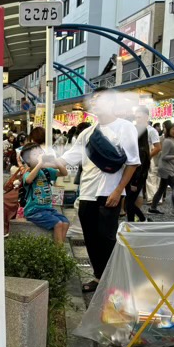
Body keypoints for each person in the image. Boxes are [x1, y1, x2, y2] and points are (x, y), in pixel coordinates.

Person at [60, 89, 140, 293]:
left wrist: (118, 190)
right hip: (86, 193)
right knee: (91, 238)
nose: (94, 104)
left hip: (109, 193)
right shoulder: (87, 133)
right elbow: (70, 157)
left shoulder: (125, 127)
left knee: (107, 239)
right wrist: (43, 159)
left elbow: (132, 163)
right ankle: (98, 277)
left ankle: (113, 281)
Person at [20, 144, 70, 244]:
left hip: (47, 208)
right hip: (33, 210)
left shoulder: (46, 171)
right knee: (58, 223)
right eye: (35, 154)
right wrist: (40, 164)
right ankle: (59, 253)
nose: (39, 155)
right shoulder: (27, 173)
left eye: (40, 152)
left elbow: (64, 173)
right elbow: (29, 180)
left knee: (65, 222)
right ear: (28, 160)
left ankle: (59, 249)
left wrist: (56, 162)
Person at [149, 123, 174, 216]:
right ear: (168, 130)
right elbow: (164, 157)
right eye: (173, 129)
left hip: (170, 166)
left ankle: (152, 208)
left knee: (162, 188)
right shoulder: (167, 141)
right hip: (165, 168)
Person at [126, 106, 152, 222]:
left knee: (128, 203)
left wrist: (134, 182)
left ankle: (142, 219)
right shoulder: (141, 148)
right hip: (134, 179)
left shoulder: (141, 150)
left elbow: (139, 167)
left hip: (135, 180)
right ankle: (132, 223)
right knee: (129, 203)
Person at [145, 121, 163, 204]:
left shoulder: (151, 130)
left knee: (151, 176)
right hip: (151, 154)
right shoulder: (150, 130)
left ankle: (153, 198)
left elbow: (157, 147)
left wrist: (148, 157)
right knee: (153, 176)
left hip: (151, 155)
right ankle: (156, 198)